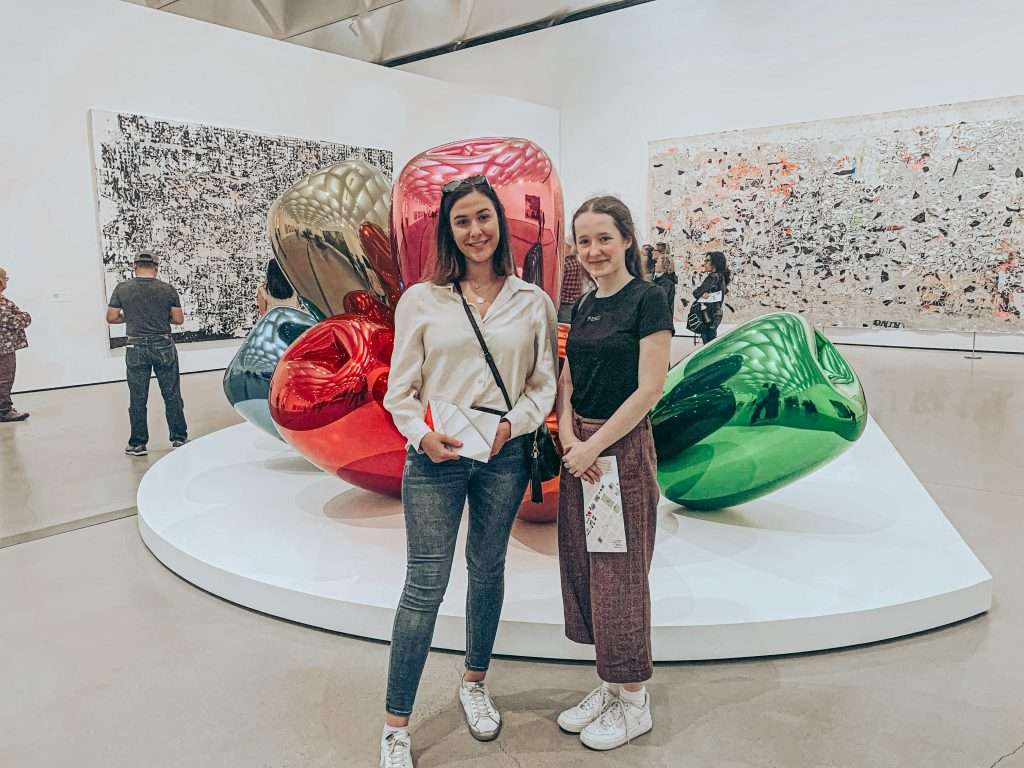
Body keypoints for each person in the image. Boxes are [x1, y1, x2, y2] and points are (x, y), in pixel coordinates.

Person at [380, 175, 557, 768]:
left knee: (487, 570)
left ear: (500, 225)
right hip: (435, 457)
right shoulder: (421, 300)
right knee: (423, 586)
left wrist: (516, 425)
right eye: (462, 221)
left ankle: (475, 682)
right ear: (447, 231)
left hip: (503, 456)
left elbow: (543, 384)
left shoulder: (531, 300)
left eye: (483, 218)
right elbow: (398, 390)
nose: (475, 231)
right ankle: (396, 724)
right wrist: (421, 435)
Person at [555, 195, 673, 751]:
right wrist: (566, 435)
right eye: (584, 241)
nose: (594, 250)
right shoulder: (579, 305)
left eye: (604, 238)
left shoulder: (648, 300)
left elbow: (650, 388)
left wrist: (592, 446)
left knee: (621, 572)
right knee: (588, 568)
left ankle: (634, 699)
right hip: (582, 449)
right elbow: (568, 376)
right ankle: (609, 681)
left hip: (619, 452)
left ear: (627, 238)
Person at [106, 251, 188, 456]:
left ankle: (137, 443)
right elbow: (178, 320)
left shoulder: (122, 288)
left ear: (134, 266)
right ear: (156, 268)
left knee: (137, 396)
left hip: (135, 347)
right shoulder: (166, 289)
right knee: (171, 394)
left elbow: (112, 317)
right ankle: (178, 438)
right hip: (163, 344)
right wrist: (161, 317)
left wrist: (130, 317)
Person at [0, 267, 32, 422]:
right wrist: (24, 317)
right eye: (6, 278)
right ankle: (3, 411)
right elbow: (13, 320)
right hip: (3, 348)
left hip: (5, 346)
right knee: (4, 378)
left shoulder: (3, 300)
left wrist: (22, 316)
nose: (7, 281)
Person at [692, 250, 731, 343]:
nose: (704, 263)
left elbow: (696, 293)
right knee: (711, 342)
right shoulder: (721, 277)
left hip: (707, 315)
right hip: (716, 314)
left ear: (715, 263)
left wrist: (701, 293)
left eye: (707, 261)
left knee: (707, 344)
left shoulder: (713, 277)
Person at [557, 240, 593, 323]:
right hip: (575, 302)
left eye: (565, 247)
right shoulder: (577, 262)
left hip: (564, 303)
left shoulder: (566, 264)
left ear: (570, 249)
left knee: (563, 327)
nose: (562, 248)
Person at [652, 249, 678, 321]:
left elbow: (660, 301)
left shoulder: (666, 282)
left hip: (661, 320)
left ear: (664, 265)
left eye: (657, 262)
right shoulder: (658, 280)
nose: (655, 264)